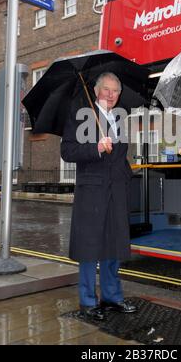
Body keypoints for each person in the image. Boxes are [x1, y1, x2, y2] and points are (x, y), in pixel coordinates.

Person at [61, 72, 137, 321]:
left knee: (113, 245)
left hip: (117, 189)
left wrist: (126, 172)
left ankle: (112, 297)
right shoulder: (80, 114)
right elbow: (67, 151)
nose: (112, 95)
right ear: (96, 91)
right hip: (92, 191)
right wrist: (95, 147)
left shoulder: (119, 117)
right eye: (107, 89)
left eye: (116, 91)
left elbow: (119, 154)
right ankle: (87, 301)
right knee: (89, 247)